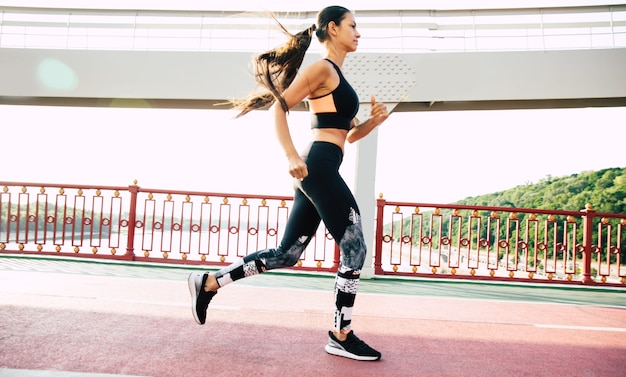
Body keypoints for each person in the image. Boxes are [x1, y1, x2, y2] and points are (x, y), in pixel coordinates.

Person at [188, 5, 389, 361]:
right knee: (356, 250)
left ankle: (209, 282)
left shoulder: (338, 77)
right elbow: (277, 108)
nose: (359, 33)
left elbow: (349, 135)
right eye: (353, 26)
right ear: (332, 28)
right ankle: (341, 334)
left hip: (324, 167)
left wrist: (372, 123)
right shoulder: (321, 69)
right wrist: (291, 155)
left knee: (287, 254)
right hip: (318, 167)